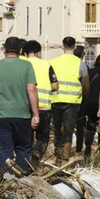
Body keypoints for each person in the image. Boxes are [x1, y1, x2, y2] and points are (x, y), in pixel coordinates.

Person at [0, 37, 39, 178]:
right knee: (23, 151)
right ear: (20, 50)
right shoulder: (27, 66)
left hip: (1, 118)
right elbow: (31, 90)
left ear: (4, 50)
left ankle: (7, 183)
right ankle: (22, 182)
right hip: (22, 117)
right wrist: (36, 114)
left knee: (4, 152)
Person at [49, 37, 90, 164]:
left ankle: (57, 156)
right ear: (75, 47)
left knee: (57, 129)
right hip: (73, 101)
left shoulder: (52, 62)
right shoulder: (80, 64)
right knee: (68, 129)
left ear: (62, 46)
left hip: (56, 99)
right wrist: (83, 99)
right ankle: (65, 158)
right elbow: (86, 86)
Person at [24, 40, 59, 172]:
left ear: (25, 53)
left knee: (27, 136)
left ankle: (25, 162)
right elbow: (55, 85)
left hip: (26, 107)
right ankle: (37, 155)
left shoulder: (23, 64)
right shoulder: (46, 65)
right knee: (42, 137)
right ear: (39, 52)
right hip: (44, 107)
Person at [80, 54, 100, 156]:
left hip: (90, 103)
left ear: (95, 62)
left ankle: (88, 146)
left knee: (90, 127)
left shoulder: (90, 72)